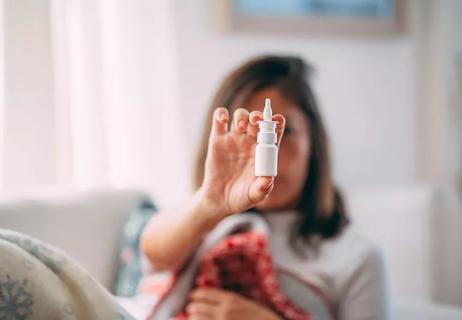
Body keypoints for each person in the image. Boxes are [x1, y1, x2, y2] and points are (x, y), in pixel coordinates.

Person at [141, 55, 389, 320]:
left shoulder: (357, 257)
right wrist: (208, 203)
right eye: (247, 134)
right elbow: (153, 253)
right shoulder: (200, 224)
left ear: (314, 143)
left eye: (287, 132)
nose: (263, 156)